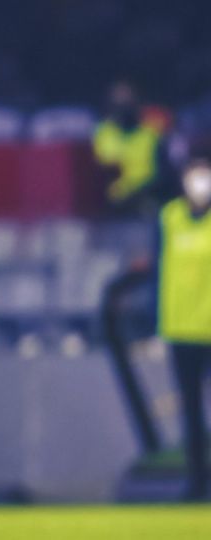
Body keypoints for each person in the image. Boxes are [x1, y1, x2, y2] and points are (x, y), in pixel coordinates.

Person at [157, 158, 211, 500]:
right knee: (191, 414)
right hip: (180, 330)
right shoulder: (170, 218)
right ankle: (196, 482)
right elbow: (158, 272)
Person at [92, 81, 171, 218]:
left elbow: (163, 172)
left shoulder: (151, 132)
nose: (123, 105)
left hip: (147, 197)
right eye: (119, 100)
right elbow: (97, 172)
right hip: (114, 203)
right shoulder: (103, 133)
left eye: (127, 99)